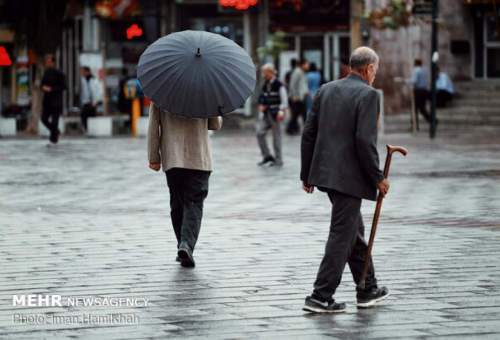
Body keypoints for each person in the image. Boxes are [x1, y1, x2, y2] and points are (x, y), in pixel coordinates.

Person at [300, 47, 390, 313]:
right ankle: (320, 294)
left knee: (353, 231)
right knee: (342, 234)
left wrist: (307, 174)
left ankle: (367, 288)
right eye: (376, 69)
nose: (376, 75)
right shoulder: (368, 95)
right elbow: (364, 141)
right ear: (369, 68)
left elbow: (309, 133)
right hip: (348, 177)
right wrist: (378, 177)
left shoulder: (326, 89)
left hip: (327, 174)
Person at [148, 104, 222, 268]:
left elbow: (153, 125)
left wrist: (154, 156)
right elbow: (215, 125)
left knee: (177, 204)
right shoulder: (205, 89)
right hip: (199, 158)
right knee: (194, 203)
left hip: (173, 158)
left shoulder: (160, 90)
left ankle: (182, 244)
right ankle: (186, 244)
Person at [256, 63, 288, 167]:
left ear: (270, 72)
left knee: (276, 138)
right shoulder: (265, 84)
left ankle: (279, 160)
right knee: (259, 133)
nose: (263, 75)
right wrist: (262, 104)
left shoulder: (279, 84)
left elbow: (284, 101)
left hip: (276, 114)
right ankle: (267, 156)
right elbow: (262, 97)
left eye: (264, 72)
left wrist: (281, 111)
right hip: (266, 114)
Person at [41, 54, 66, 144]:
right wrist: (43, 88)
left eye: (49, 62)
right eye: (46, 62)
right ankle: (56, 132)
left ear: (53, 62)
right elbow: (42, 84)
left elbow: (63, 86)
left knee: (55, 121)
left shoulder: (59, 73)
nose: (47, 64)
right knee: (44, 119)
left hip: (56, 101)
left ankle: (53, 140)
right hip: (47, 101)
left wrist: (52, 89)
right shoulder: (46, 73)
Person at [287, 59, 309, 135]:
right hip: (297, 98)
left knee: (299, 114)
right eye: (307, 64)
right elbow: (292, 84)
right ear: (302, 65)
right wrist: (295, 95)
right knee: (298, 114)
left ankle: (292, 129)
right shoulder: (297, 72)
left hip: (301, 97)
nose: (308, 66)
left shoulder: (301, 72)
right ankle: (290, 129)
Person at [79, 66, 101, 131]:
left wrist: (95, 101)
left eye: (83, 71)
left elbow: (98, 91)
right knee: (84, 116)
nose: (82, 73)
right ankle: (86, 129)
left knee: (92, 116)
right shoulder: (81, 80)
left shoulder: (94, 80)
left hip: (93, 102)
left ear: (87, 71)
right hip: (85, 102)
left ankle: (92, 130)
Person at [411, 58, 431, 124]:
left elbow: (414, 81)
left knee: (415, 109)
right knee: (422, 108)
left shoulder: (416, 70)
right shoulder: (424, 71)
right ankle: (432, 120)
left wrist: (404, 81)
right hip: (424, 90)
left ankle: (415, 125)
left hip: (418, 91)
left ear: (415, 63)